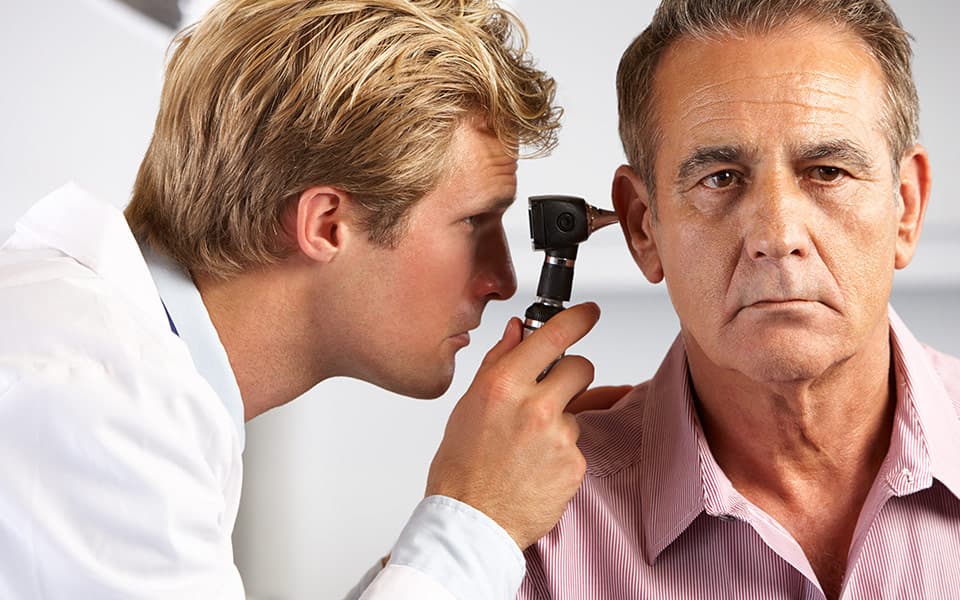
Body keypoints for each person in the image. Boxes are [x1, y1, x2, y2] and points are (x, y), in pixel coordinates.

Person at [0, 1, 623, 598]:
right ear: (327, 224)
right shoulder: (101, 404)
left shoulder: (107, 361)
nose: (502, 279)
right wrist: (477, 519)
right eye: (474, 222)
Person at [520, 1, 960, 599]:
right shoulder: (526, 530)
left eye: (828, 171)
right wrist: (464, 522)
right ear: (643, 229)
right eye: (720, 177)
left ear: (905, 208)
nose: (777, 237)